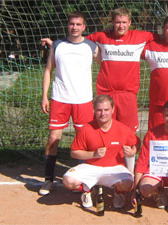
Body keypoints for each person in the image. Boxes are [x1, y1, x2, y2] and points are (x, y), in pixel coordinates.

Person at [39, 11, 101, 196]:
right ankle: (48, 180)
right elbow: (48, 70)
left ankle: (83, 181)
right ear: (68, 26)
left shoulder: (91, 47)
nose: (75, 27)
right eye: (72, 24)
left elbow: (106, 65)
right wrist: (44, 96)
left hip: (83, 101)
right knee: (53, 139)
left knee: (84, 141)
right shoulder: (58, 45)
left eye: (78, 24)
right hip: (60, 99)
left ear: (84, 27)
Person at [63, 94, 138, 209]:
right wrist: (93, 154)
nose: (103, 114)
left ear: (112, 110)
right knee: (68, 181)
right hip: (91, 167)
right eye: (99, 110)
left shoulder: (122, 129)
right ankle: (87, 190)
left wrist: (133, 151)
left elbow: (137, 142)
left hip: (115, 167)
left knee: (129, 183)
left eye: (106, 110)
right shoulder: (86, 128)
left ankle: (119, 193)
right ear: (94, 110)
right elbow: (74, 152)